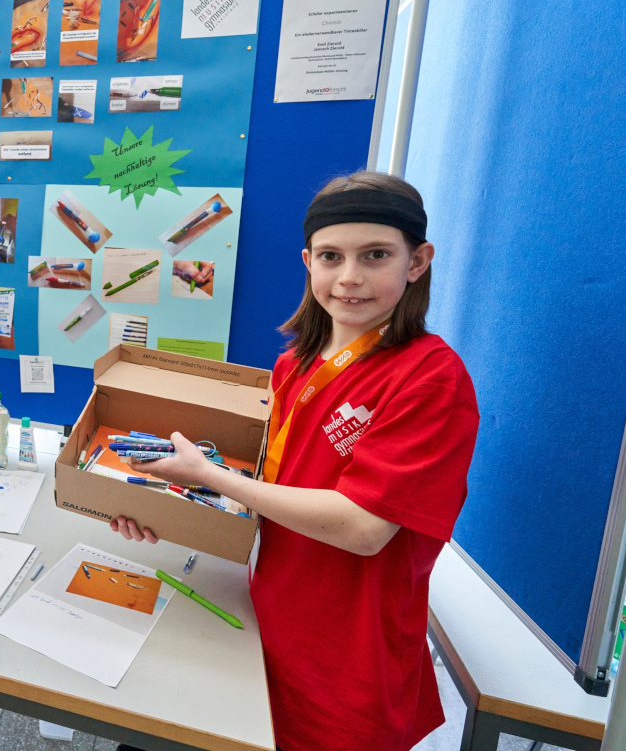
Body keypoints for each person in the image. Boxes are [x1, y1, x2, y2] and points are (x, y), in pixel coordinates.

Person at [111, 172, 479, 751]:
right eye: (331, 256)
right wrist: (164, 504)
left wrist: (209, 475)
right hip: (265, 619)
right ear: (309, 262)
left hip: (347, 664)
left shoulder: (432, 379)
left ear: (417, 261)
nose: (350, 277)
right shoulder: (295, 365)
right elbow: (271, 489)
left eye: (376, 255)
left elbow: (363, 528)